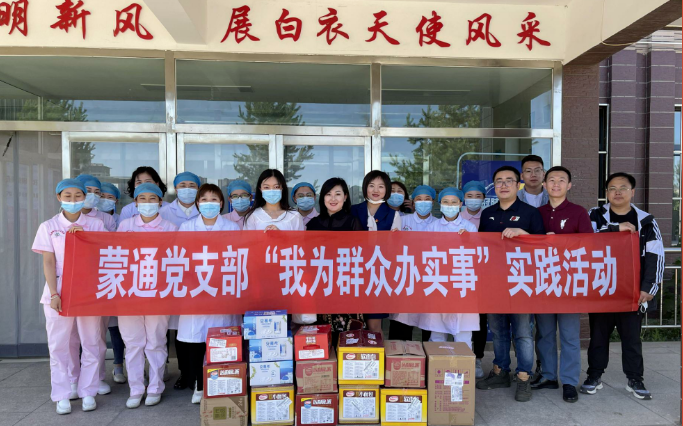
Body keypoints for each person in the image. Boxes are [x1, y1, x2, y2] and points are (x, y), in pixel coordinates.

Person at [581, 172, 664, 400]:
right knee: (598, 337)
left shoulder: (646, 221)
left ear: (632, 192)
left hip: (632, 292)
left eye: (623, 188)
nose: (617, 192)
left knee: (631, 339)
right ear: (606, 192)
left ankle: (635, 379)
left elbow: (656, 255)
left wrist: (649, 287)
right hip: (602, 289)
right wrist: (614, 229)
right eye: (612, 188)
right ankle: (594, 376)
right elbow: (584, 240)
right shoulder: (594, 215)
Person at [32, 178, 106, 414]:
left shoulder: (95, 225)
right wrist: (54, 293)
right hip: (59, 291)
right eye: (67, 196)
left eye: (78, 196)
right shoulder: (49, 226)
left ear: (84, 197)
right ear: (59, 197)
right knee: (59, 345)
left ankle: (88, 391)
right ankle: (62, 394)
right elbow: (48, 262)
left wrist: (86, 238)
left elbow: (105, 256)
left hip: (88, 291)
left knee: (91, 342)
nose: (73, 200)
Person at [476, 165, 545, 403]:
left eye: (509, 180)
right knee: (498, 331)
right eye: (499, 181)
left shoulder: (530, 213)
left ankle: (524, 376)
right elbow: (480, 246)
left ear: (518, 185)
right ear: (494, 186)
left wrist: (523, 233)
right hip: (494, 283)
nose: (503, 185)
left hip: (521, 282)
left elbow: (543, 246)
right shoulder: (487, 213)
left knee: (523, 332)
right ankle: (500, 371)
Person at [532, 166, 593, 403]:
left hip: (569, 284)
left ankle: (569, 381)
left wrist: (560, 242)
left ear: (569, 185)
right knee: (545, 334)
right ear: (544, 185)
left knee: (569, 336)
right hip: (543, 282)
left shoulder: (578, 212)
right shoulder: (536, 213)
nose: (556, 184)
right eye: (551, 180)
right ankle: (548, 376)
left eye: (561, 180)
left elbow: (588, 245)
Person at [177, 183, 241, 404]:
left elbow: (238, 258)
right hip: (195, 289)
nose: (209, 204)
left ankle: (218, 383)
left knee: (220, 339)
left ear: (221, 203)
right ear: (197, 203)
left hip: (222, 289)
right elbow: (180, 257)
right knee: (196, 341)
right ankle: (199, 384)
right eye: (204, 200)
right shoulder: (187, 227)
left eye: (214, 200)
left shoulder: (232, 227)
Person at [117, 183, 178, 409]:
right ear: (135, 202)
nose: (147, 203)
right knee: (133, 343)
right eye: (142, 199)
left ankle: (155, 387)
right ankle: (135, 389)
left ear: (161, 202)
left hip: (158, 293)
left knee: (155, 342)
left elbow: (175, 259)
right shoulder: (125, 225)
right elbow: (116, 255)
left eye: (153, 199)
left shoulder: (170, 227)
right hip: (129, 293)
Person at [392, 187, 479, 344]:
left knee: (463, 333)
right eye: (446, 202)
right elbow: (425, 254)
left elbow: (477, 255)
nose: (450, 205)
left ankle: (463, 360)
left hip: (461, 283)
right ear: (440, 204)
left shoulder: (469, 227)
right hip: (438, 282)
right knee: (437, 333)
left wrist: (469, 240)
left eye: (454, 202)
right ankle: (437, 361)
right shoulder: (432, 226)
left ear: (461, 204)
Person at [306, 177, 365, 343]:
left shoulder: (353, 222)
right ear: (322, 197)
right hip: (321, 285)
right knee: (322, 336)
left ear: (345, 197)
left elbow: (362, 255)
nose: (333, 198)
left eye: (338, 194)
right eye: (328, 194)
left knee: (349, 338)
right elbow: (306, 256)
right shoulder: (313, 224)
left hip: (346, 285)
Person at [159, 171, 201, 384]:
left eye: (192, 185)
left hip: (203, 275)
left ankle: (200, 373)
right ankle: (185, 373)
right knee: (179, 327)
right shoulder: (164, 213)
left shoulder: (205, 209)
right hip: (176, 275)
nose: (187, 189)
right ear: (175, 188)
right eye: (182, 185)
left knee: (197, 325)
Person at [351, 170, 401, 333]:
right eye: (371, 185)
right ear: (365, 187)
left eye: (381, 186)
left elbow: (395, 249)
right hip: (354, 273)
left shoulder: (393, 214)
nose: (376, 190)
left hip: (378, 275)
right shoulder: (352, 210)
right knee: (353, 324)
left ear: (386, 189)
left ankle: (377, 350)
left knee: (374, 325)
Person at [390, 185, 437, 341]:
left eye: (427, 199)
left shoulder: (439, 224)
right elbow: (391, 248)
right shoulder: (402, 220)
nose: (423, 202)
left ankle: (429, 356)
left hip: (430, 278)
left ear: (433, 202)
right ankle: (402, 355)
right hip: (407, 278)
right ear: (413, 202)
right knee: (402, 326)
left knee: (429, 325)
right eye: (419, 199)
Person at [97, 182, 127, 384]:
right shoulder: (88, 219)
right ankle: (94, 373)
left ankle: (118, 366)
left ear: (116, 200)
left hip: (117, 276)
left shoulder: (120, 221)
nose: (105, 200)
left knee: (116, 328)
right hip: (96, 278)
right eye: (102, 196)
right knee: (93, 330)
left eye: (110, 197)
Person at [460, 180, 487, 379]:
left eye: (478, 196)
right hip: (459, 274)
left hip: (483, 275)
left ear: (484, 198)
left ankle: (477, 357)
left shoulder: (488, 217)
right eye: (470, 196)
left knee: (479, 319)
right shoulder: (457, 217)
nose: (474, 200)